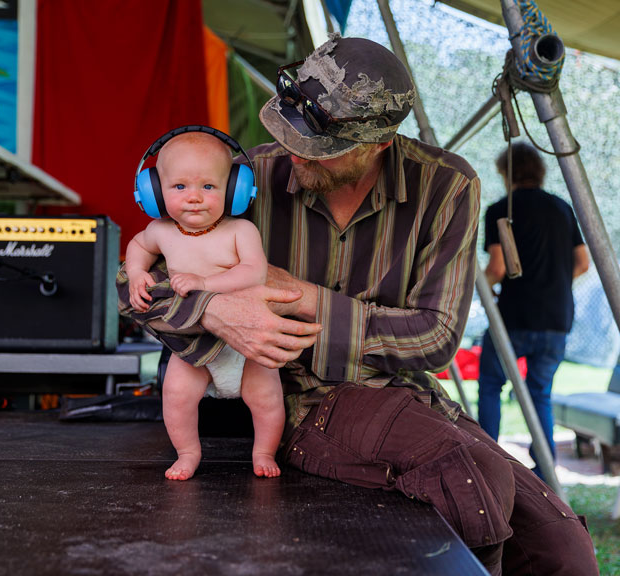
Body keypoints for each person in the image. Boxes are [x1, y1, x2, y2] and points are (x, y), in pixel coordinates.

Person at [118, 35, 598, 575]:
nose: (293, 152)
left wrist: (304, 298)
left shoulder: (446, 187)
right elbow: (134, 284)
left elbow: (435, 337)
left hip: (407, 394)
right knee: (469, 481)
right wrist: (211, 310)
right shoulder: (243, 180)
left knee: (564, 550)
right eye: (286, 133)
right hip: (296, 394)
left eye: (317, 148)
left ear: (378, 145)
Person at [125, 130, 294, 480]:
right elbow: (138, 245)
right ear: (154, 192)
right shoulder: (161, 231)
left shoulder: (239, 231)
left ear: (234, 190)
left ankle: (263, 451)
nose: (195, 198)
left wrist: (205, 284)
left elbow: (254, 272)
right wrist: (137, 272)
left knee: (266, 401)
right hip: (193, 345)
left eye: (209, 187)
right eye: (180, 187)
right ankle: (188, 452)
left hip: (245, 345)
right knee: (175, 395)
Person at [477, 142, 590, 477]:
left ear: (505, 172)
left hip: (515, 316)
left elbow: (497, 268)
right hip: (557, 317)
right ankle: (545, 469)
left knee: (490, 385)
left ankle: (487, 463)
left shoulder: (501, 209)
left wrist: (479, 287)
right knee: (540, 391)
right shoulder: (562, 208)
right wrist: (551, 282)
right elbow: (582, 263)